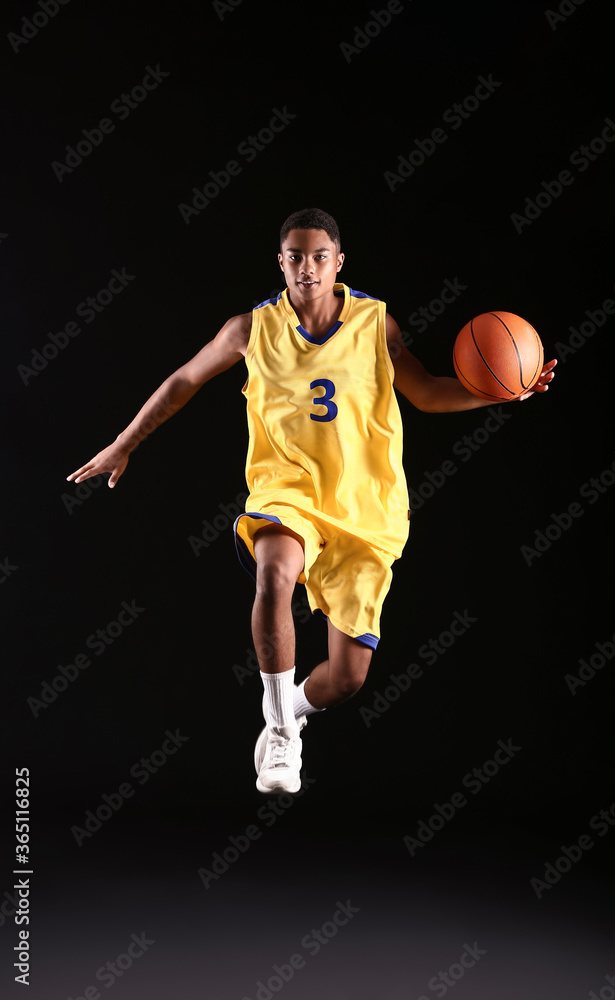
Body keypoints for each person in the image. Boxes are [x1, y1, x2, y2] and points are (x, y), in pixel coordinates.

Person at [67, 207, 556, 795]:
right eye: (295, 257)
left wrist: (504, 392)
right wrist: (125, 443)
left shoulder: (376, 324)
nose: (307, 268)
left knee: (348, 679)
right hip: (287, 490)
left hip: (365, 509)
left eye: (319, 256)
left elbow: (425, 393)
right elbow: (183, 381)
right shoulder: (251, 330)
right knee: (274, 572)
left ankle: (293, 710)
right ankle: (277, 731)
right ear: (281, 262)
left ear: (338, 262)